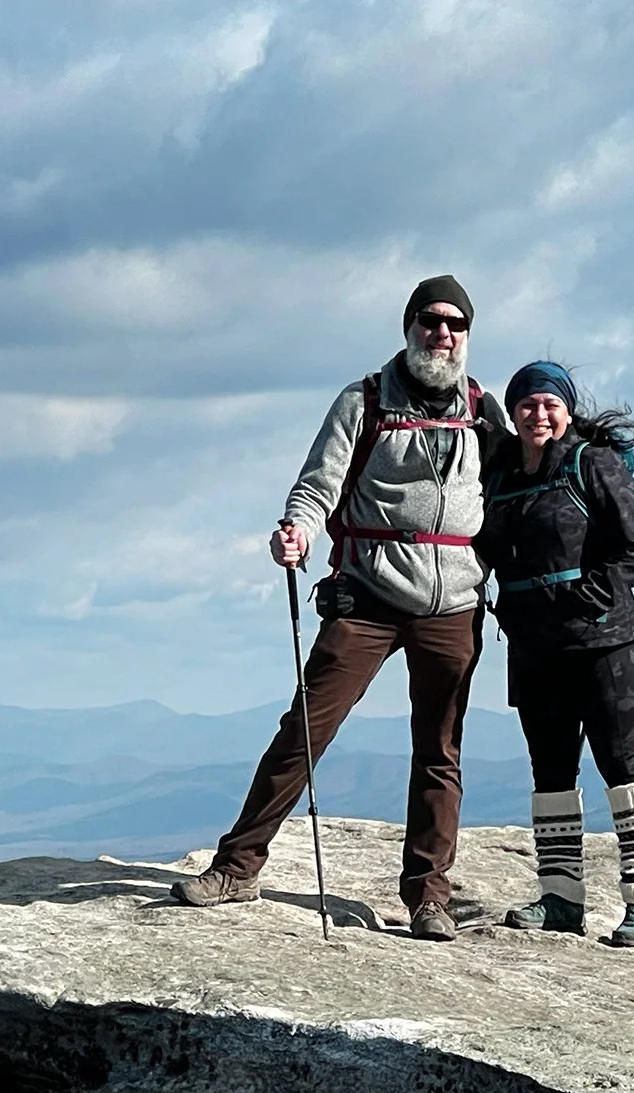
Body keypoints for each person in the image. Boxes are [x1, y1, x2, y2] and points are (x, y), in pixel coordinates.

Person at [172, 275, 512, 940]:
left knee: (440, 749)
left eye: (455, 325)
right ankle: (239, 866)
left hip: (456, 603)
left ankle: (429, 896)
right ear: (408, 327)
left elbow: (513, 489)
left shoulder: (483, 411)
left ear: (467, 335)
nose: (442, 334)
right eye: (429, 321)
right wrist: (296, 529)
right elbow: (317, 483)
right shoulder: (363, 401)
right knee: (306, 727)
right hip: (370, 594)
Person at [475, 360, 634, 947]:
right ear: (512, 413)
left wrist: (597, 593)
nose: (539, 413)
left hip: (603, 640)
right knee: (551, 769)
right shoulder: (501, 473)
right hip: (535, 646)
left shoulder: (592, 462)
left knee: (619, 761)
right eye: (528, 404)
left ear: (565, 409)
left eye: (549, 403)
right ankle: (561, 899)